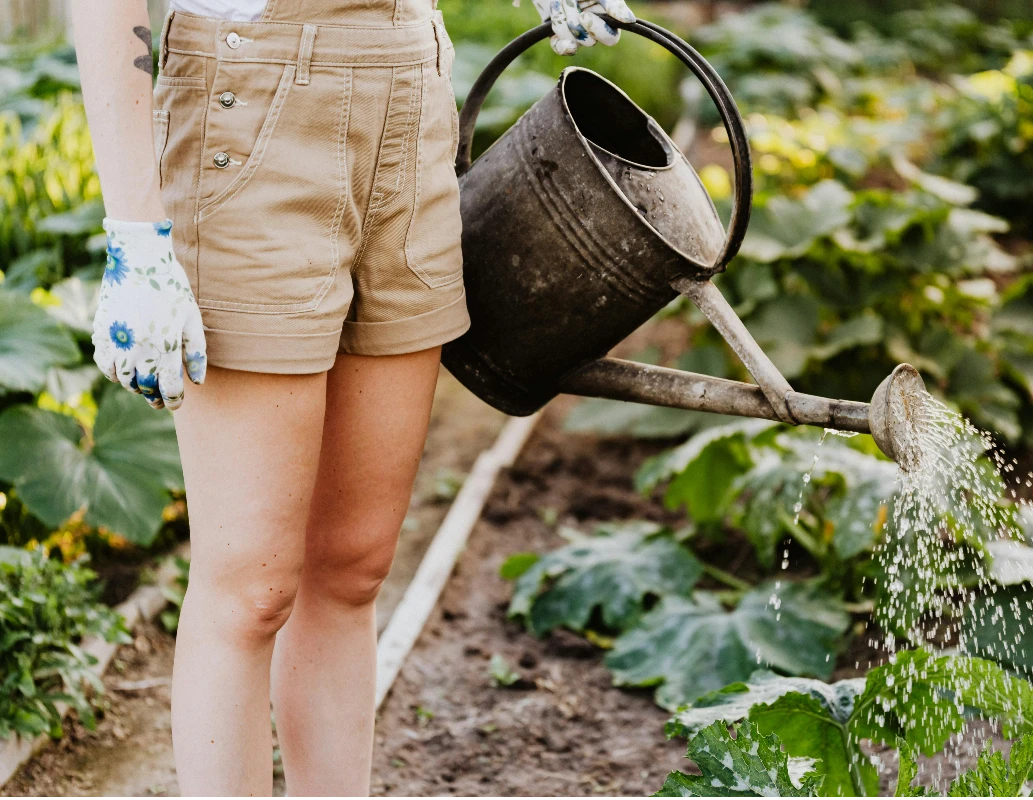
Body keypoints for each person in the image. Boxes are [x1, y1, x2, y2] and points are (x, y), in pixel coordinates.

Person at [71, 0, 634, 794]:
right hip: (253, 104)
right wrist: (135, 233)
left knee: (353, 567)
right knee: (252, 588)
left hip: (410, 90)